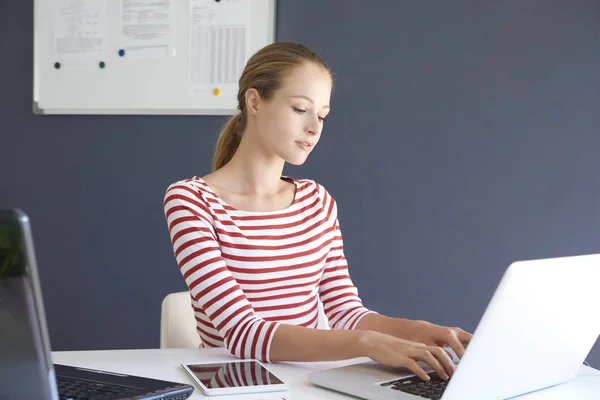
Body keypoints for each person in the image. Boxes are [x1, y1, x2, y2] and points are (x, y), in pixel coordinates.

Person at [163, 42, 472, 382]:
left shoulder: (317, 200)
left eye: (322, 115)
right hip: (238, 387)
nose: (314, 128)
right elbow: (242, 333)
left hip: (313, 385)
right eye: (300, 109)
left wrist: (417, 331)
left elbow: (345, 310)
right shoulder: (191, 200)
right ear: (254, 102)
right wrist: (367, 343)